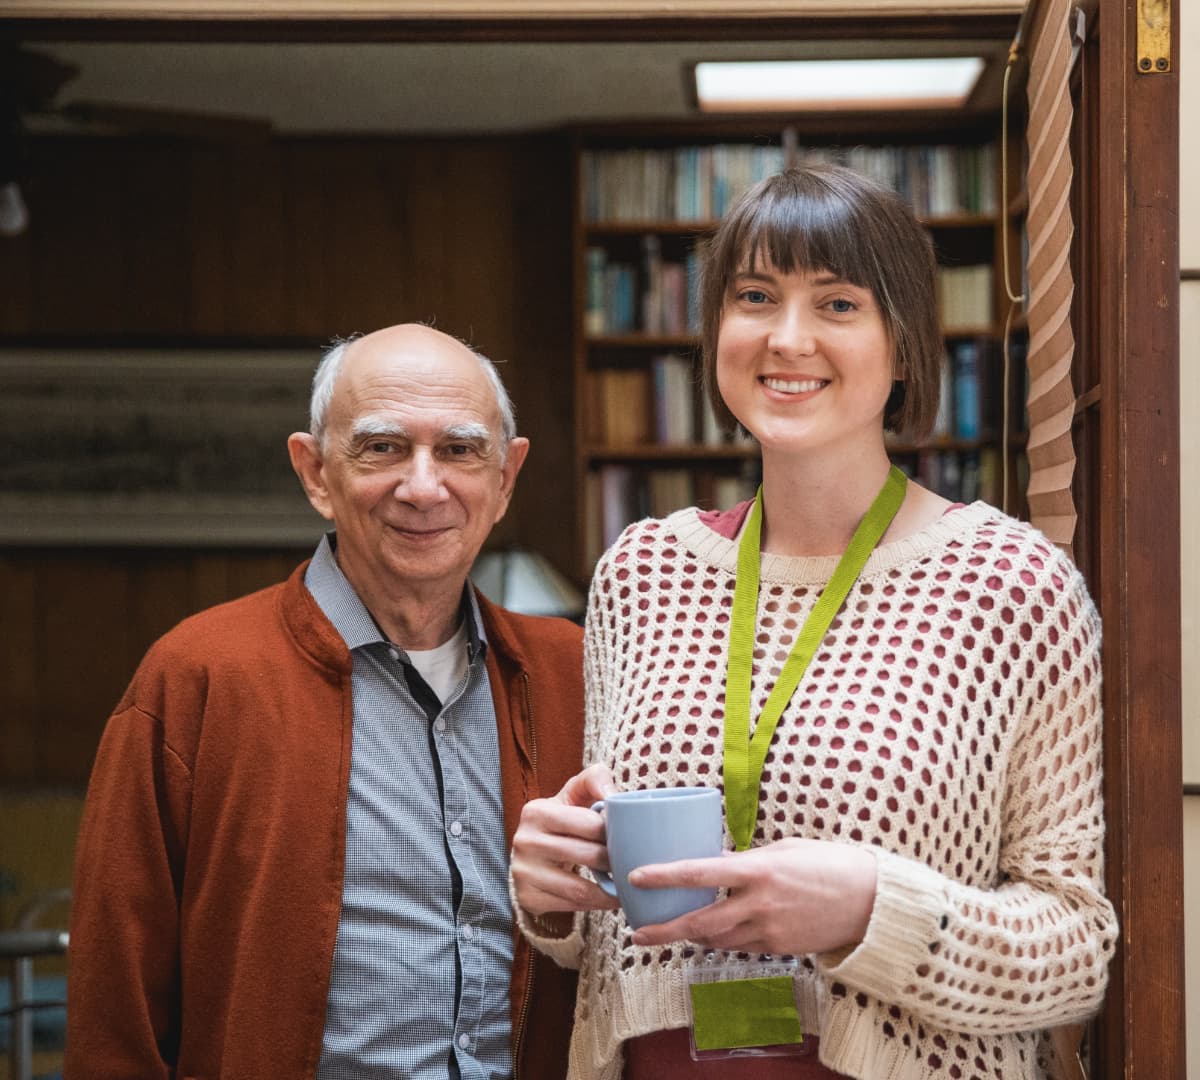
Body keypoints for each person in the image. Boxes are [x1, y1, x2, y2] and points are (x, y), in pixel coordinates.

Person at [509, 165, 1117, 1080]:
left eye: (838, 304)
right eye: (755, 297)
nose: (787, 339)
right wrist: (554, 893)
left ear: (904, 347)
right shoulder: (641, 573)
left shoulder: (1011, 587)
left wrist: (872, 910)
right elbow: (613, 923)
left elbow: (1075, 952)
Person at [66, 324, 584, 1079]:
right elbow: (116, 1004)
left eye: (459, 450)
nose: (423, 486)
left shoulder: (572, 672)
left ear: (505, 478)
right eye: (382, 447)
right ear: (314, 473)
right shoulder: (198, 676)